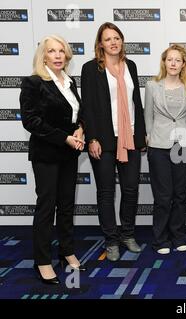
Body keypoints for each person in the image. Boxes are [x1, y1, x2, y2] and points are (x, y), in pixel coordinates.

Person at [20, 35, 87, 284]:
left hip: (69, 153)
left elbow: (77, 114)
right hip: (47, 154)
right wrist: (65, 138)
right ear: (43, 55)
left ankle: (66, 250)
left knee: (67, 205)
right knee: (47, 207)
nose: (58, 55)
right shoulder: (33, 82)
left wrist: (81, 129)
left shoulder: (69, 82)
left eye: (61, 51)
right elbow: (31, 121)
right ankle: (43, 260)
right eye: (52, 51)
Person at [81, 22, 146, 261]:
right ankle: (111, 240)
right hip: (104, 140)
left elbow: (136, 103)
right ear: (100, 44)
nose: (113, 42)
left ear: (122, 41)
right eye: (108, 39)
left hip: (129, 138)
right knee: (106, 192)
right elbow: (86, 106)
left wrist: (140, 135)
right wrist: (92, 138)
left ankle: (127, 234)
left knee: (131, 190)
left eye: (116, 38)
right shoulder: (91, 69)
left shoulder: (131, 66)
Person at [144, 44, 186, 254]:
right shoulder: (152, 86)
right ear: (164, 62)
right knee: (163, 196)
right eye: (170, 59)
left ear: (183, 64)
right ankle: (161, 239)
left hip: (182, 146)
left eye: (178, 60)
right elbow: (148, 116)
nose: (173, 63)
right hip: (159, 146)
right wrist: (149, 138)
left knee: (180, 194)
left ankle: (178, 235)